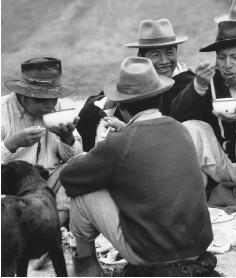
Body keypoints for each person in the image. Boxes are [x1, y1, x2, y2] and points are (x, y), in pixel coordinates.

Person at [59, 57, 215, 276]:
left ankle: (86, 265)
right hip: (197, 246)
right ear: (161, 99)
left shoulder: (119, 142)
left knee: (83, 196)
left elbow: (70, 178)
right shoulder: (180, 129)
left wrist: (88, 154)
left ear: (121, 107)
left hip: (151, 254)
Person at [170, 20, 236, 208]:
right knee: (191, 128)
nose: (227, 65)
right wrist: (198, 85)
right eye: (221, 57)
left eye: (235, 57)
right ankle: (194, 201)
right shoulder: (213, 80)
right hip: (227, 165)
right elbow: (176, 116)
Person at [76, 18, 195, 151]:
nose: (164, 61)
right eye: (156, 54)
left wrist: (127, 132)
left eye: (170, 52)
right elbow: (86, 117)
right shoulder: (132, 85)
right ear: (141, 57)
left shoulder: (190, 85)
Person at [2, 57, 82, 228]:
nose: (50, 104)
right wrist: (11, 144)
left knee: (79, 165)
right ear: (23, 94)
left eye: (53, 98)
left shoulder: (59, 107)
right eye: (41, 99)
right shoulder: (2, 111)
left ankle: (52, 229)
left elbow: (73, 157)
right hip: (9, 190)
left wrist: (67, 138)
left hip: (47, 185)